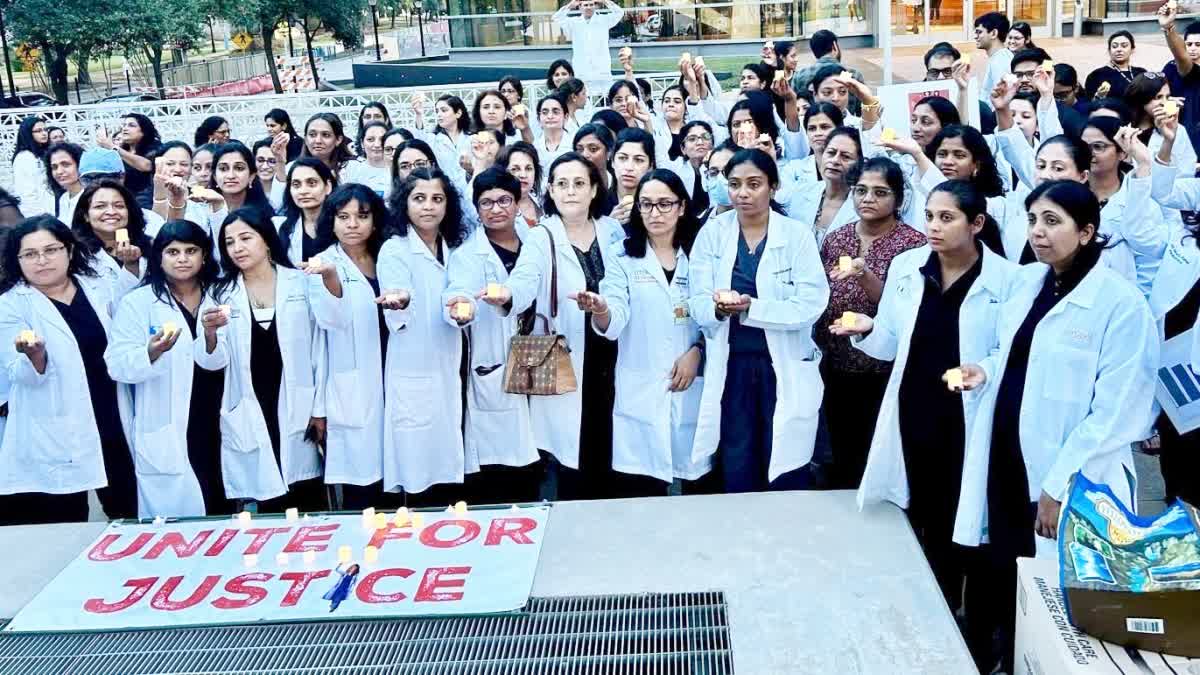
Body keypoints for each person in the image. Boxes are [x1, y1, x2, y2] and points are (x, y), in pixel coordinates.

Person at [957, 180, 1158, 674]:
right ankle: (1001, 655)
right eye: (1032, 221)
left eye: (1052, 222)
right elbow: (1015, 353)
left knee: (1056, 586)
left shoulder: (1120, 304)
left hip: (1064, 471)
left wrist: (1058, 483)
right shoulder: (1029, 283)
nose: (1038, 233)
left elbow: (1118, 412)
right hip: (1005, 453)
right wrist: (984, 368)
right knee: (1004, 565)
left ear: (1087, 232)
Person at [835, 180, 1016, 669]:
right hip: (917, 410)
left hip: (970, 418)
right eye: (931, 216)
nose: (933, 228)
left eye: (947, 218)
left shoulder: (1006, 281)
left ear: (976, 224)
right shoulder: (907, 267)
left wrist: (985, 371)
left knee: (974, 527)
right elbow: (893, 336)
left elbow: (1009, 351)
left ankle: (980, 636)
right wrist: (866, 329)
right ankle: (932, 628)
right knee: (930, 521)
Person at [482, 153, 625, 500]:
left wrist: (604, 308)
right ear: (550, 189)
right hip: (566, 355)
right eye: (562, 184)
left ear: (594, 189)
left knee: (613, 445)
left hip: (613, 349)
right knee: (573, 451)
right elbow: (525, 279)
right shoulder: (542, 235)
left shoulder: (612, 230)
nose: (570, 191)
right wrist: (507, 295)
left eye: (579, 183)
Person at [687, 148, 828, 492]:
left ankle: (787, 535)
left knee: (785, 457)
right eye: (735, 184)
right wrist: (718, 309)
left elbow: (812, 302)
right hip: (732, 363)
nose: (743, 193)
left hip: (783, 362)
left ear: (773, 187)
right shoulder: (713, 233)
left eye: (754, 184)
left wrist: (753, 308)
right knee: (738, 455)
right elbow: (697, 299)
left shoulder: (795, 235)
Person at [575, 169, 709, 495]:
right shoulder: (622, 254)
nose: (655, 213)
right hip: (642, 384)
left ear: (681, 206)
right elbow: (616, 316)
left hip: (691, 380)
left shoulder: (702, 252)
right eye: (646, 204)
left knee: (698, 488)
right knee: (641, 491)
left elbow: (715, 316)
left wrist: (698, 352)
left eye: (665, 204)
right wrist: (602, 309)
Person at [197, 207, 340, 513]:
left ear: (266, 240)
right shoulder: (221, 293)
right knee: (268, 498)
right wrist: (209, 334)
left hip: (300, 403)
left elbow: (321, 350)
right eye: (230, 242)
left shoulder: (300, 283)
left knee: (307, 495)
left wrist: (320, 409)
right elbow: (212, 361)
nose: (238, 248)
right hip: (250, 404)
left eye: (246, 238)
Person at [0, 216, 137, 524]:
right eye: (30, 254)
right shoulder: (11, 305)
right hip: (55, 424)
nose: (42, 260)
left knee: (127, 509)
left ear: (70, 251)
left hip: (110, 414)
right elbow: (16, 376)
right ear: (17, 260)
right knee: (67, 520)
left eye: (51, 250)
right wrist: (35, 357)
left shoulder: (98, 286)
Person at [815, 157, 927, 490]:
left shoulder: (912, 245)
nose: (868, 199)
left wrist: (864, 275)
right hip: (834, 361)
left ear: (898, 199)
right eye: (861, 190)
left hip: (882, 368)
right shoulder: (837, 239)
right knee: (839, 449)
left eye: (880, 193)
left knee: (876, 449)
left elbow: (898, 307)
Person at [105, 220, 230, 518]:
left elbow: (218, 360)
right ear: (158, 257)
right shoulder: (138, 302)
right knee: (179, 518)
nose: (182, 259)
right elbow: (116, 364)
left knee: (220, 504)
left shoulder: (222, 295)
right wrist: (150, 352)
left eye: (191, 251)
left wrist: (210, 335)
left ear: (204, 256)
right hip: (169, 417)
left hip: (217, 413)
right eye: (172, 252)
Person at [442, 168, 543, 505]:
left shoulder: (537, 243)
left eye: (504, 200)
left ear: (517, 203)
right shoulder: (468, 255)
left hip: (538, 353)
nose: (496, 209)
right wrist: (460, 307)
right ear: (476, 208)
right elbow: (459, 291)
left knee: (538, 448)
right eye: (486, 203)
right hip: (494, 360)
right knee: (501, 466)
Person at [376, 168, 470, 506]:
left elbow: (456, 297)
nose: (428, 206)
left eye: (437, 199)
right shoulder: (395, 250)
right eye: (419, 198)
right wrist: (399, 304)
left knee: (447, 463)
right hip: (412, 369)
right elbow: (396, 313)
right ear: (405, 204)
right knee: (418, 473)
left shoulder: (454, 248)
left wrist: (462, 309)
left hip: (448, 366)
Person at [310, 184, 394, 510]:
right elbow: (329, 323)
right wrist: (330, 279)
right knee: (363, 490)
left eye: (361, 216)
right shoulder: (322, 263)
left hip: (394, 373)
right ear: (331, 222)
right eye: (342, 217)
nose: (352, 224)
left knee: (399, 482)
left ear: (375, 220)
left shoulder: (388, 256)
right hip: (350, 387)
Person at [72, 179, 151, 294]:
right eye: (100, 206)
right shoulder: (77, 254)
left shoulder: (150, 246)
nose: (111, 212)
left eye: (119, 206)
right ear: (86, 216)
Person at [786, 126, 862, 245]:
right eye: (831, 153)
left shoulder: (862, 204)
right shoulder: (801, 192)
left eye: (845, 156)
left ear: (859, 163)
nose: (835, 161)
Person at [923, 42, 998, 134]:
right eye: (934, 72)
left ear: (959, 71)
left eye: (947, 71)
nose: (940, 77)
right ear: (927, 75)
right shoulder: (915, 109)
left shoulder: (980, 110)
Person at [1009, 48, 1086, 138]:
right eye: (1019, 75)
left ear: (1047, 74)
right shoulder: (1002, 112)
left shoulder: (1068, 118)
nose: (1024, 80)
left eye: (1031, 74)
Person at [1158, 4, 1200, 164]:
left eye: (1198, 45)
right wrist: (1167, 103)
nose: (1193, 49)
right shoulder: (1170, 67)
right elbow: (1159, 97)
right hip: (1177, 132)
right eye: (1189, 44)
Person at [552, 0, 625, 92]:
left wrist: (604, 1)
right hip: (582, 69)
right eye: (585, 5)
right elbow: (556, 18)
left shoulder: (604, 20)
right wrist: (569, 6)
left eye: (591, 4)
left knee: (607, 97)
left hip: (602, 68)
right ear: (580, 7)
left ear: (595, 6)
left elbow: (620, 13)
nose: (588, 7)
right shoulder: (574, 22)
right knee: (583, 98)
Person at [277, 157, 338, 265]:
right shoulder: (281, 227)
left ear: (328, 186)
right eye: (296, 185)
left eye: (312, 183)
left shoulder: (343, 224)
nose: (303, 191)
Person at [791, 30, 864, 107]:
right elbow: (862, 109)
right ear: (834, 46)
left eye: (842, 91)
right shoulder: (854, 75)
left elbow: (794, 105)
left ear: (814, 52)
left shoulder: (799, 76)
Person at [98, 113, 161, 201]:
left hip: (148, 199)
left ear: (144, 130)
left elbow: (147, 165)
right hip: (125, 198)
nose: (125, 128)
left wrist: (114, 148)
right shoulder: (123, 150)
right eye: (124, 125)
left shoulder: (155, 147)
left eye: (131, 125)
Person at [609, 128, 656, 227]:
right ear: (612, 162)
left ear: (650, 166)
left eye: (639, 160)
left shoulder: (658, 205)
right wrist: (608, 227)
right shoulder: (596, 204)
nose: (629, 167)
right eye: (622, 158)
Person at [1085, 31, 1146, 101]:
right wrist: (1099, 96)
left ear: (1132, 49)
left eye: (1124, 46)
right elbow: (1089, 105)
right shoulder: (1096, 75)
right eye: (1114, 46)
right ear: (1109, 50)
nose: (1119, 49)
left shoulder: (1141, 73)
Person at [11, 116, 52, 217]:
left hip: (51, 206)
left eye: (45, 130)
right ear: (28, 134)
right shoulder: (24, 157)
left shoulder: (43, 153)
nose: (44, 133)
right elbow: (26, 192)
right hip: (38, 212)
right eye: (38, 131)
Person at [496, 142, 544, 227]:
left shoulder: (543, 201)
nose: (523, 175)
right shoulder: (497, 210)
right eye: (515, 169)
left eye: (528, 169)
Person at [342, 122, 393, 199]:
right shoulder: (350, 168)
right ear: (362, 143)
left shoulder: (396, 171)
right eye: (370, 140)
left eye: (382, 139)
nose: (377, 145)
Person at [974, 12, 1013, 109]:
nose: (975, 36)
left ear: (993, 33)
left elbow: (1002, 98)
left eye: (979, 32)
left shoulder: (1000, 60)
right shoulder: (998, 57)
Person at [44, 141, 84, 223]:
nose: (59, 171)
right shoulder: (64, 198)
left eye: (66, 165)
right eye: (54, 167)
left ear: (80, 164)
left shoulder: (91, 197)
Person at [533, 94, 571, 170]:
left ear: (566, 117)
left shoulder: (574, 145)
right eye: (545, 112)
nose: (550, 116)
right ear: (538, 119)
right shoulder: (534, 147)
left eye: (555, 112)